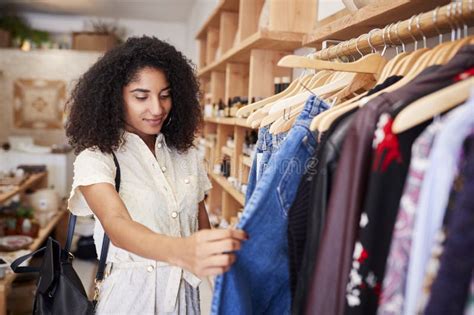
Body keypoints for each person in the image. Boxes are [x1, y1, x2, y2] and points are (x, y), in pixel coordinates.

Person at [65, 36, 247, 314]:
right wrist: (182, 251)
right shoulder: (97, 158)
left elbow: (200, 226)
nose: (157, 109)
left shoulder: (185, 155)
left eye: (165, 95)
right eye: (141, 96)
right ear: (115, 97)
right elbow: (117, 224)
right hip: (130, 299)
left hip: (185, 298)